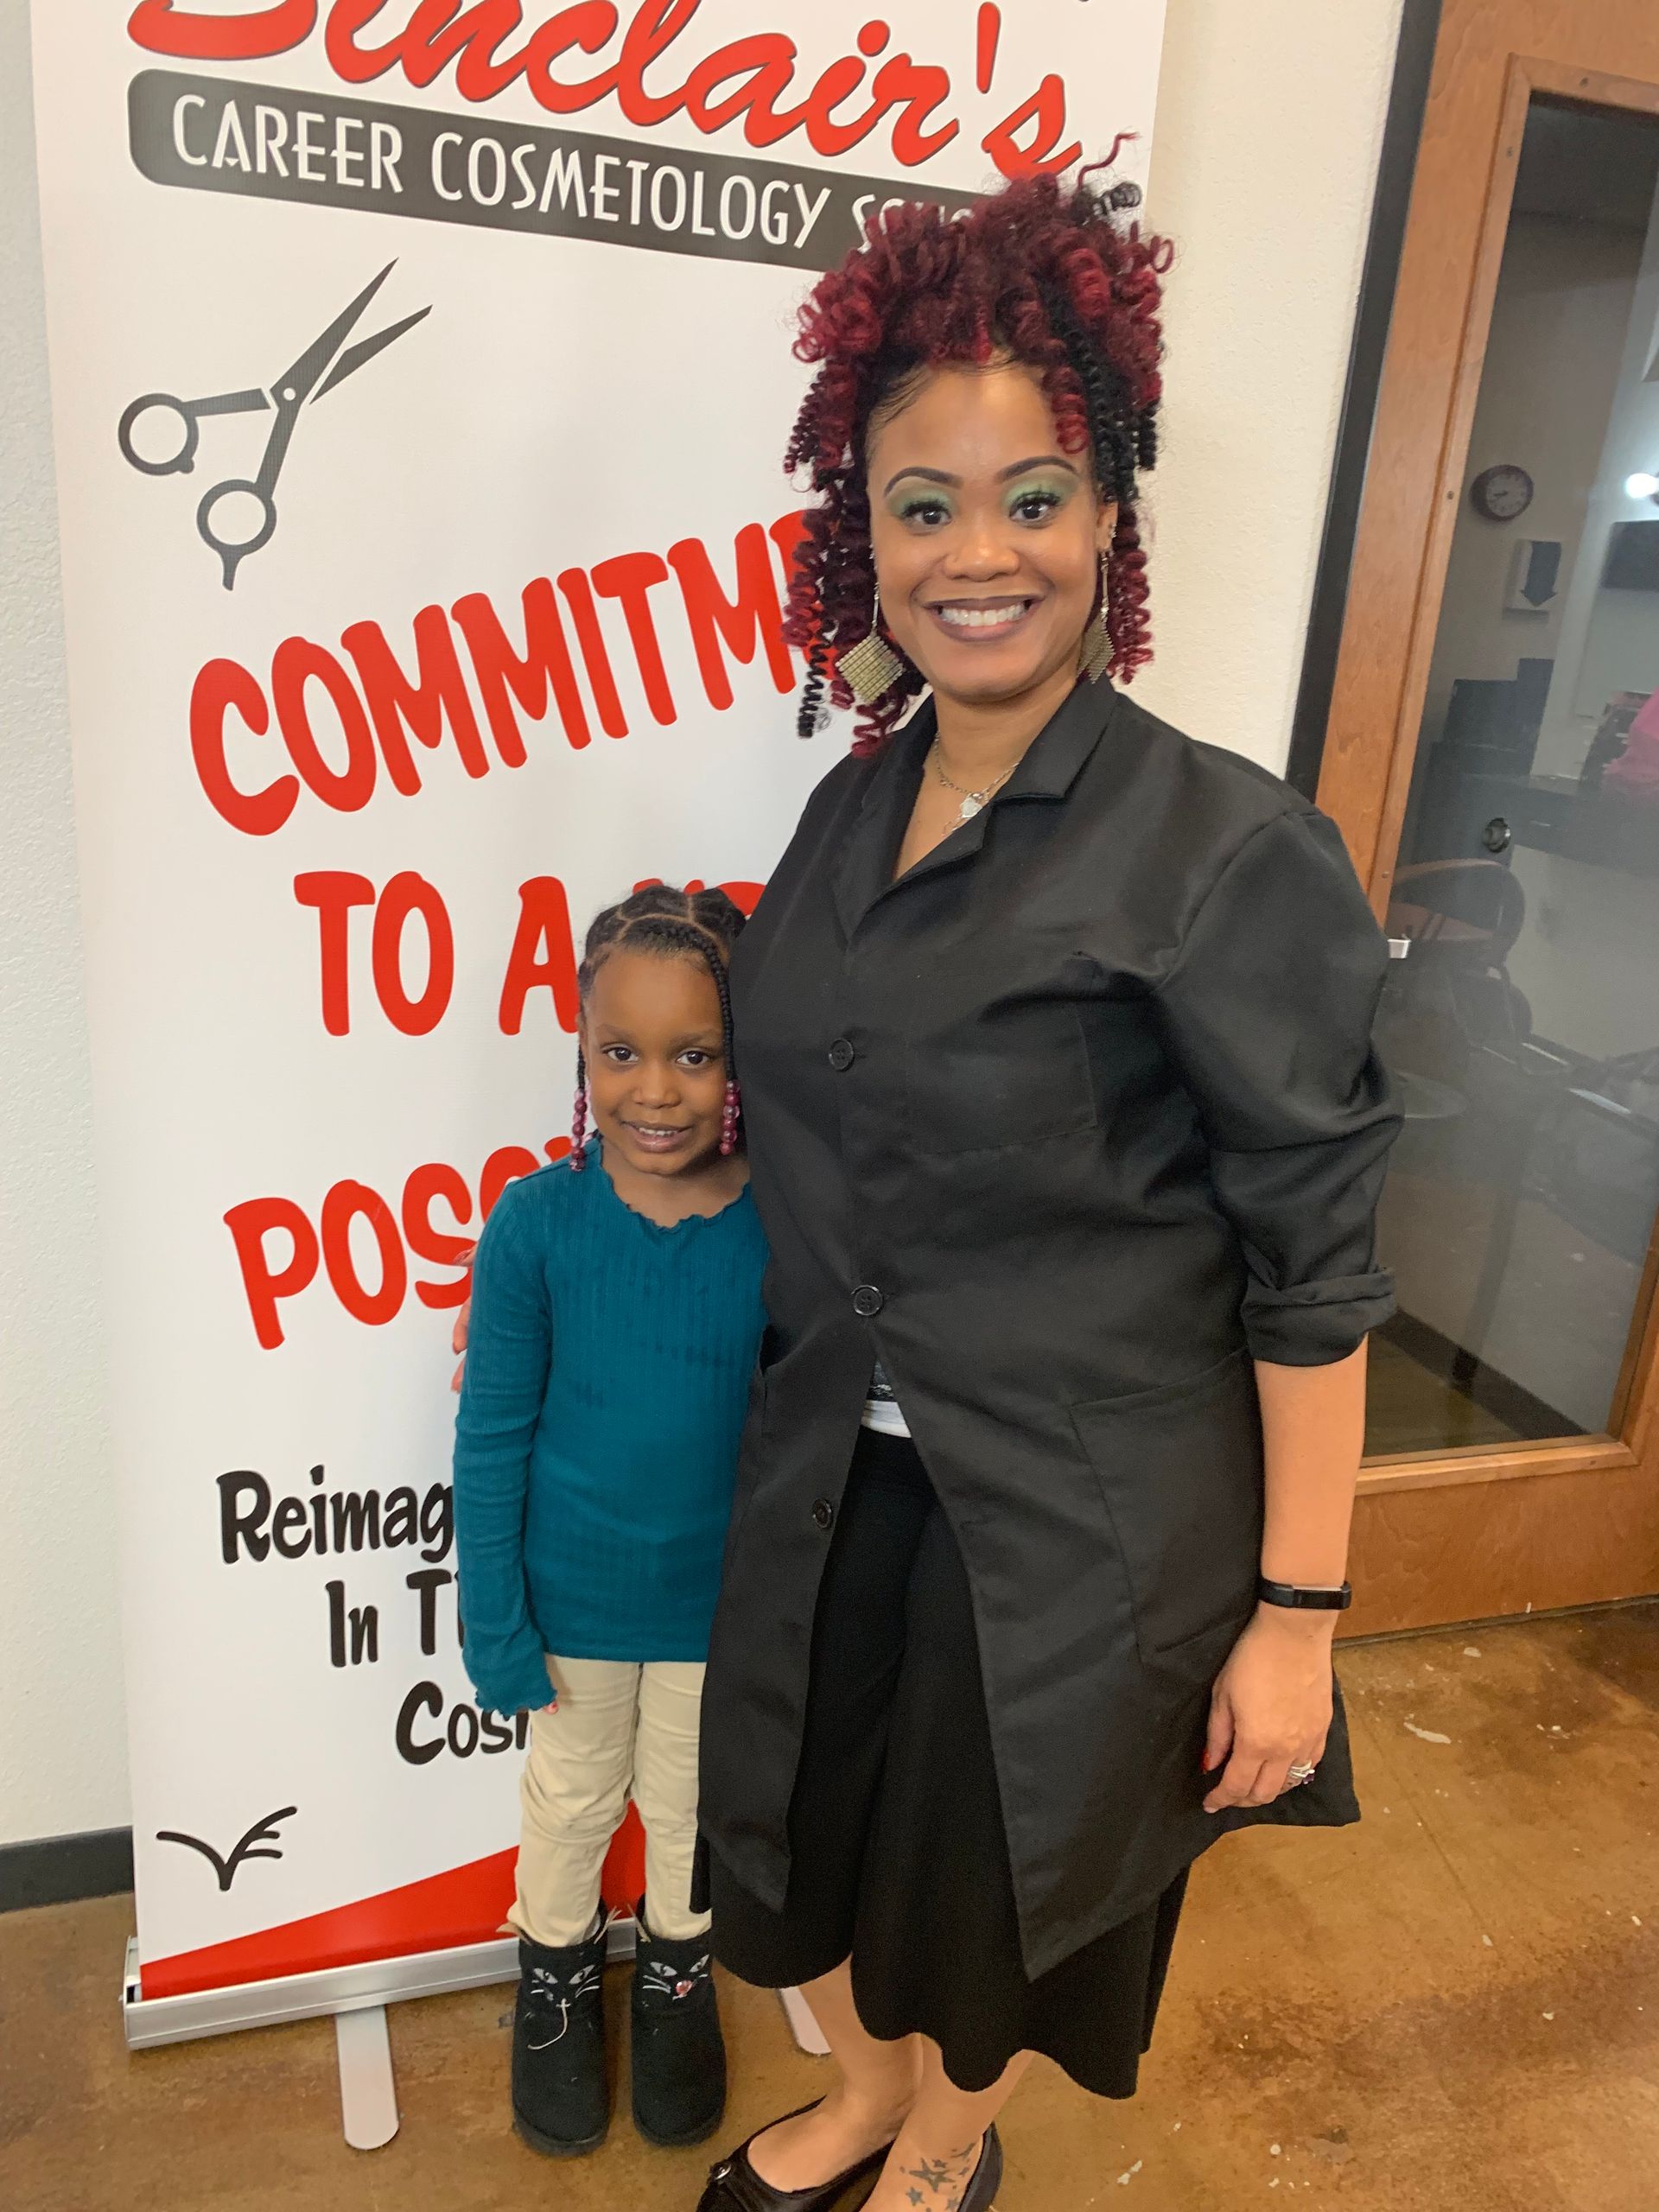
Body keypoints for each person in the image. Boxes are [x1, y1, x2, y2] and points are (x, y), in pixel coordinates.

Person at [693, 169, 1405, 2212]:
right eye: (925, 505)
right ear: (869, 534)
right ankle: (864, 2086)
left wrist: (1299, 1615)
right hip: (843, 1472)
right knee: (811, 1847)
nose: (979, 553)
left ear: (1112, 523)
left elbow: (1312, 1271)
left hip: (1082, 1519)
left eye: (1036, 496)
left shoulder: (1225, 847)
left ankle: (943, 2135)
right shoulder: (849, 803)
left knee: (992, 1890)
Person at [452, 884, 766, 2163]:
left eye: (695, 1055)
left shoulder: (784, 1226)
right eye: (620, 1053)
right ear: (580, 1053)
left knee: (694, 1811)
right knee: (572, 1804)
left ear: (739, 1061)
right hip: (574, 1605)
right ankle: (559, 1980)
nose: (657, 1090)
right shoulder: (534, 1226)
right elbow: (490, 1441)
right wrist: (495, 1626)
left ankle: (682, 1975)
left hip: (718, 1613)